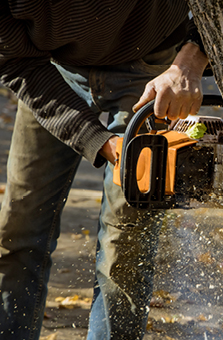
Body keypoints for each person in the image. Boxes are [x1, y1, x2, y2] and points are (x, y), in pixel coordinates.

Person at [0, 1, 209, 339]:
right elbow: (14, 61)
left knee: (124, 249)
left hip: (151, 69)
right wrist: (100, 141)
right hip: (47, 73)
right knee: (18, 230)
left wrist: (191, 59)